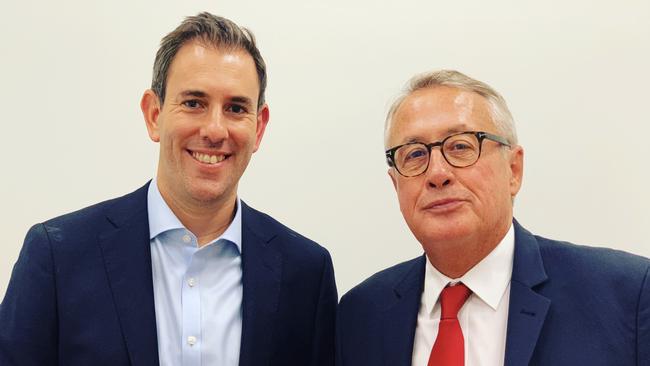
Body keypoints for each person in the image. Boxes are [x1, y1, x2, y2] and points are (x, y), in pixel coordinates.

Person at [0, 12, 336, 366]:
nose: (215, 130)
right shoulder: (57, 257)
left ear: (260, 127)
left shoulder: (306, 274)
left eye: (236, 108)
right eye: (194, 103)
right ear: (154, 114)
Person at [336, 70, 650, 366]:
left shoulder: (626, 295)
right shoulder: (361, 316)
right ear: (396, 184)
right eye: (415, 154)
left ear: (513, 170)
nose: (437, 174)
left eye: (460, 146)